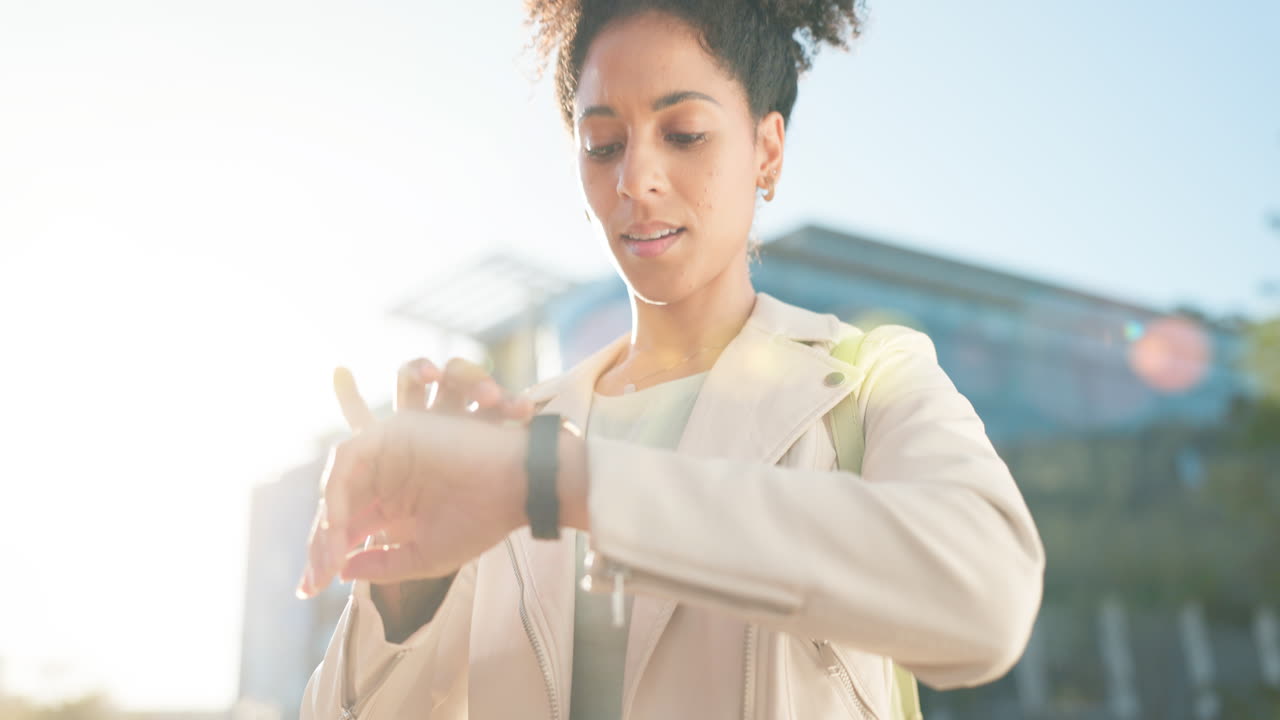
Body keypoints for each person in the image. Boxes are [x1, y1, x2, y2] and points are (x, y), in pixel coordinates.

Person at [294, 1, 1046, 718]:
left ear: (768, 151)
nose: (635, 180)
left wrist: (566, 486)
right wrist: (408, 593)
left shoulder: (867, 378)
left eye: (683, 133)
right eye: (603, 145)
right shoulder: (515, 436)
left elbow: (988, 599)